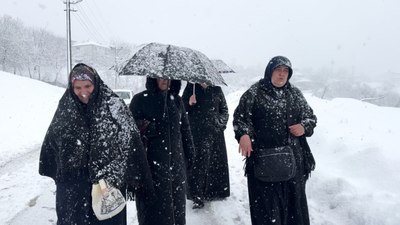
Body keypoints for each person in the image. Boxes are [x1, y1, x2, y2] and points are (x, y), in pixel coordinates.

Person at [39, 63, 151, 225]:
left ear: (95, 84)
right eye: (77, 87)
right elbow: (54, 141)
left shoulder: (114, 106)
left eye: (87, 86)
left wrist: (111, 171)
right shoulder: (66, 106)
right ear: (71, 87)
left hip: (107, 186)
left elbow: (128, 142)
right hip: (73, 187)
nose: (83, 92)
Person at [233, 56, 317, 225]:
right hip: (264, 161)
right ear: (269, 71)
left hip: (293, 161)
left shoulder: (295, 94)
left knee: (294, 209)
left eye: (286, 71)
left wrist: (304, 127)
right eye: (278, 70)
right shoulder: (254, 93)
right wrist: (243, 135)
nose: (281, 74)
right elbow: (240, 119)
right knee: (267, 210)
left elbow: (311, 118)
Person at [129, 77, 195, 225]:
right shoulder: (140, 100)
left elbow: (185, 129)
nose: (165, 81)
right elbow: (129, 130)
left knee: (176, 211)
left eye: (168, 78)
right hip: (151, 168)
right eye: (160, 77)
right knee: (154, 213)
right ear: (153, 78)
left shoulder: (176, 101)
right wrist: (150, 127)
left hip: (176, 169)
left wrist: (190, 155)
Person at [182, 83, 230, 209]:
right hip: (196, 134)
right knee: (197, 164)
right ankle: (197, 194)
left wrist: (220, 125)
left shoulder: (216, 89)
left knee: (214, 163)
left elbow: (224, 110)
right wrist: (189, 103)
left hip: (215, 134)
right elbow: (181, 111)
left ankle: (215, 191)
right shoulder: (190, 88)